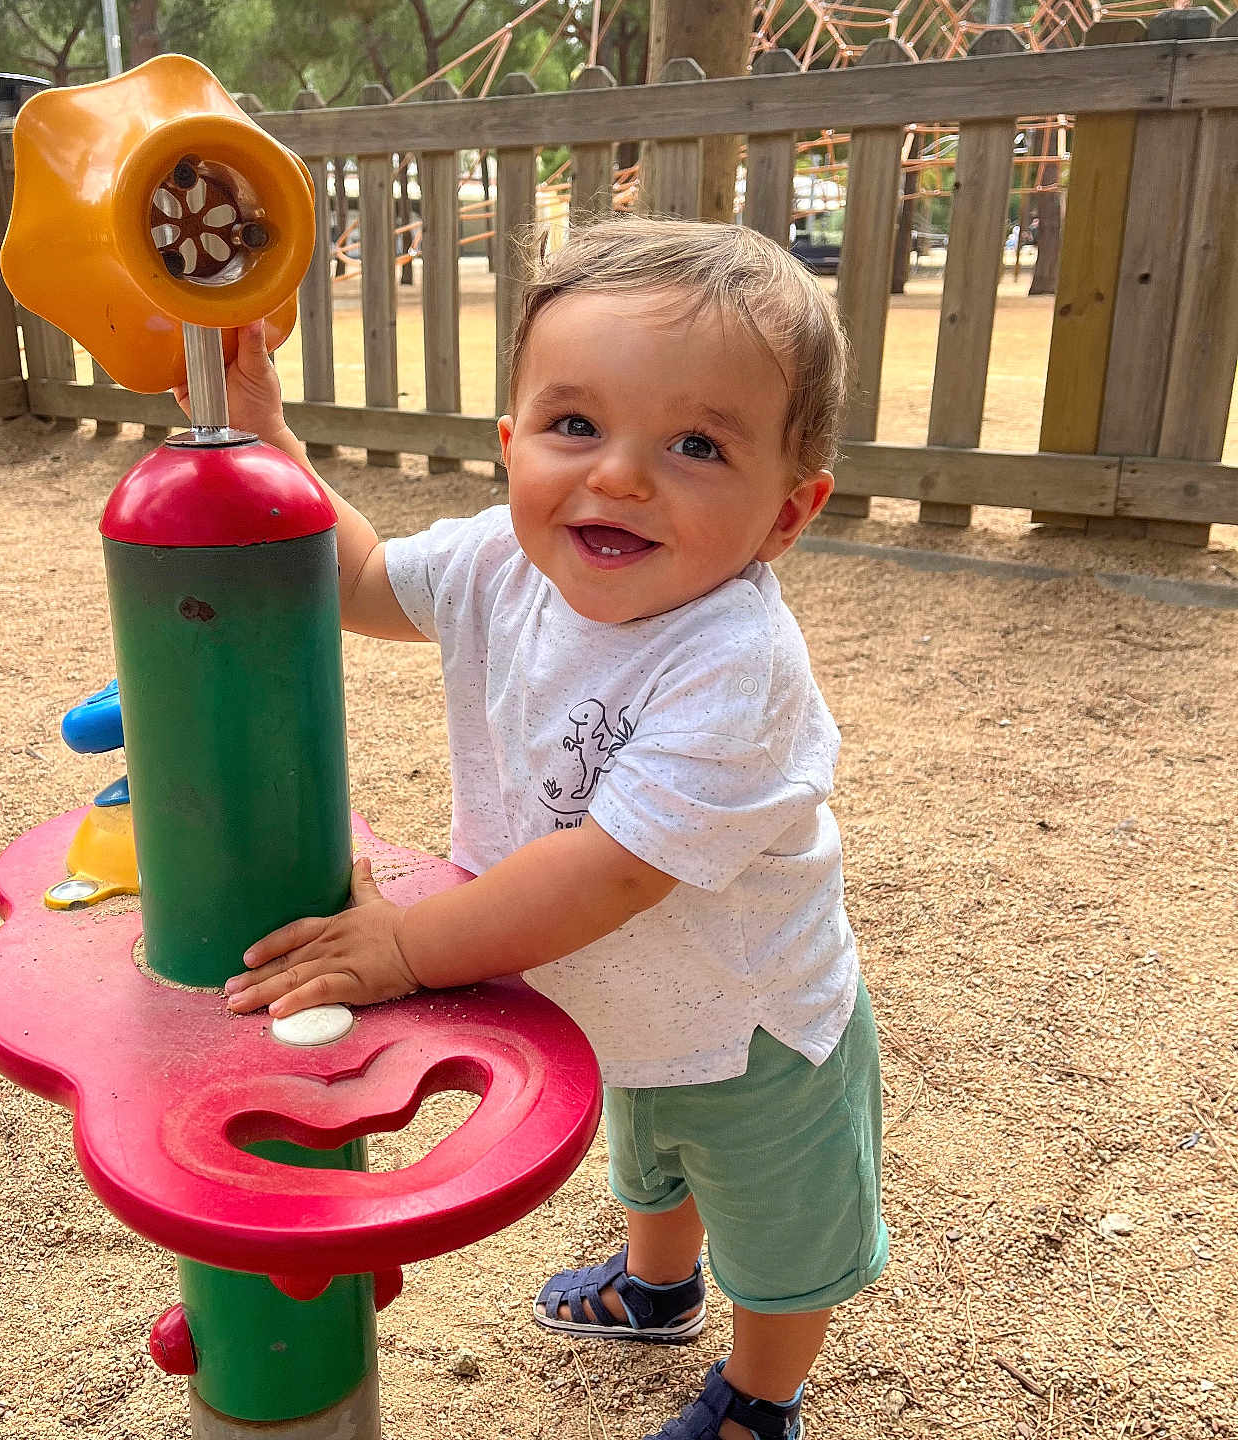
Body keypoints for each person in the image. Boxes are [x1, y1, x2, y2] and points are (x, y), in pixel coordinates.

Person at [211, 215, 886, 1440]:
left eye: (695, 444)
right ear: (510, 443)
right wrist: (270, 441)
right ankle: (656, 1285)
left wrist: (408, 947)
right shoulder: (495, 563)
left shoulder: (735, 662)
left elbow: (609, 874)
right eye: (577, 425)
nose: (620, 476)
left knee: (778, 1230)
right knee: (651, 1157)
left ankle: (760, 1396)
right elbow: (356, 582)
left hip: (750, 1019)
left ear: (788, 515)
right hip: (611, 996)